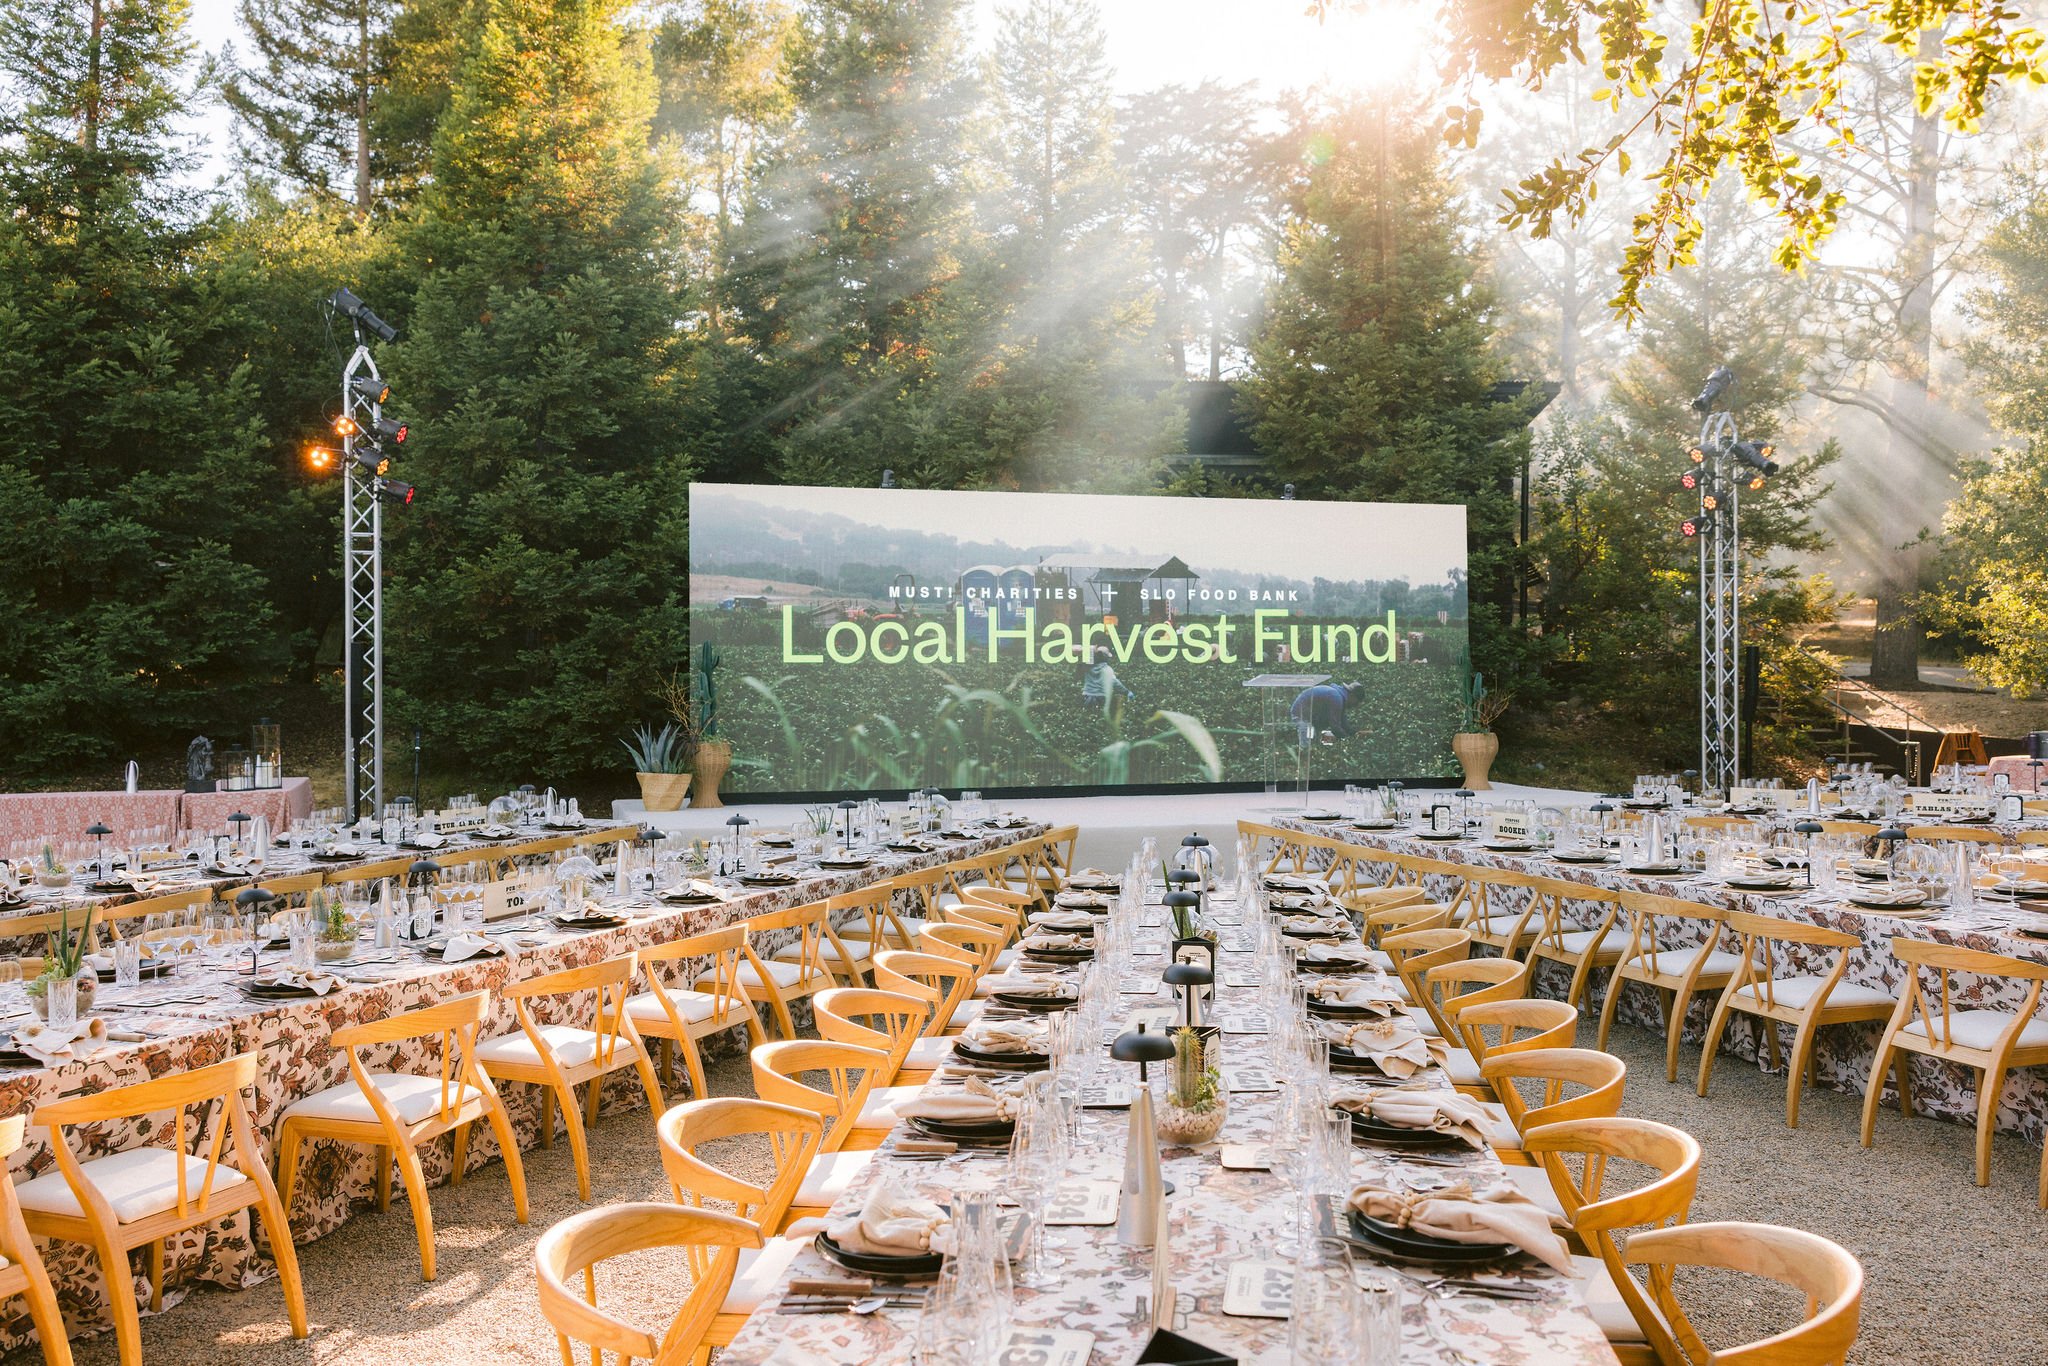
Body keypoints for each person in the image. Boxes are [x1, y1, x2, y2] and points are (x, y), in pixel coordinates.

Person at [1291, 681, 1365, 747]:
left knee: (1316, 742)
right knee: (1308, 743)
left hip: (1313, 715)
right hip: (1302, 714)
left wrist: (1354, 733)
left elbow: (1343, 722)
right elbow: (1335, 727)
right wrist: (1349, 741)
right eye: (1357, 702)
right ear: (1352, 696)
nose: (1355, 705)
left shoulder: (1339, 698)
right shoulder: (1336, 698)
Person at [1081, 646, 1137, 718]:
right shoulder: (1107, 669)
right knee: (1100, 718)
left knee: (1087, 718)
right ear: (1105, 657)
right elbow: (1115, 683)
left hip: (1087, 696)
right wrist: (1127, 692)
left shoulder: (1087, 666)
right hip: (1101, 697)